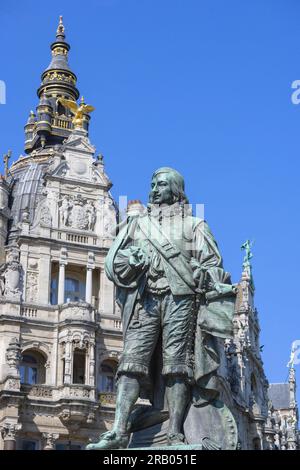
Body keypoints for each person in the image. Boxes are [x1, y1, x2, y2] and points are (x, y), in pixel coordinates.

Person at [87, 167, 235, 449]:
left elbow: (214, 267)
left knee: (177, 367)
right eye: (152, 184)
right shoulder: (136, 225)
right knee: (130, 364)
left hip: (181, 299)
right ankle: (118, 431)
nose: (154, 189)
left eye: (161, 184)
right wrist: (132, 261)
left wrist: (205, 274)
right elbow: (114, 264)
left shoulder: (194, 226)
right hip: (145, 299)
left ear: (176, 190)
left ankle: (175, 433)